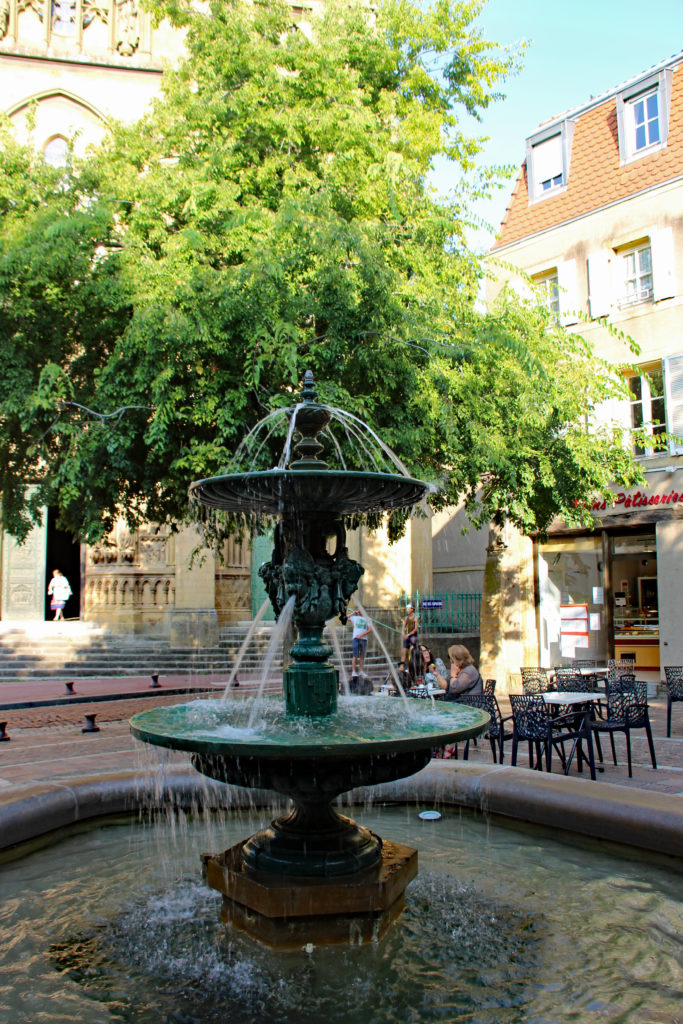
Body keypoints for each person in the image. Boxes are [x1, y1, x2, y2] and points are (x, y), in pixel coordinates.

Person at [349, 609, 372, 682]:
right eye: (358, 611)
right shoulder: (354, 618)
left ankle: (361, 671)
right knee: (355, 655)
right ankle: (354, 671)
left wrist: (361, 635)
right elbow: (345, 618)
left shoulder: (367, 619)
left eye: (361, 610)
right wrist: (353, 613)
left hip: (364, 639)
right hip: (355, 638)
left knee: (362, 656)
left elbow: (370, 630)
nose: (359, 612)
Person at [398, 604, 419, 676]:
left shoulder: (415, 618)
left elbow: (415, 629)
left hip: (413, 636)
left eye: (408, 609)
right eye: (407, 609)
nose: (407, 610)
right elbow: (404, 627)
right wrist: (403, 633)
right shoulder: (406, 618)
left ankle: (413, 666)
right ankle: (402, 665)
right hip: (408, 636)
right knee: (404, 651)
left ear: (412, 609)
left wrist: (408, 635)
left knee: (413, 651)